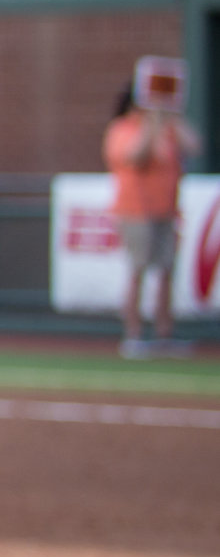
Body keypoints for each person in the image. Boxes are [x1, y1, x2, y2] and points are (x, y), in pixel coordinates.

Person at [104, 85, 200, 359]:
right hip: (135, 211)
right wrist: (151, 124)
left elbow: (194, 145)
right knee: (138, 272)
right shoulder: (123, 129)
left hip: (166, 211)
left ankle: (163, 335)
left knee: (166, 272)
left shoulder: (168, 128)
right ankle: (133, 337)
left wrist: (170, 118)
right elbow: (137, 155)